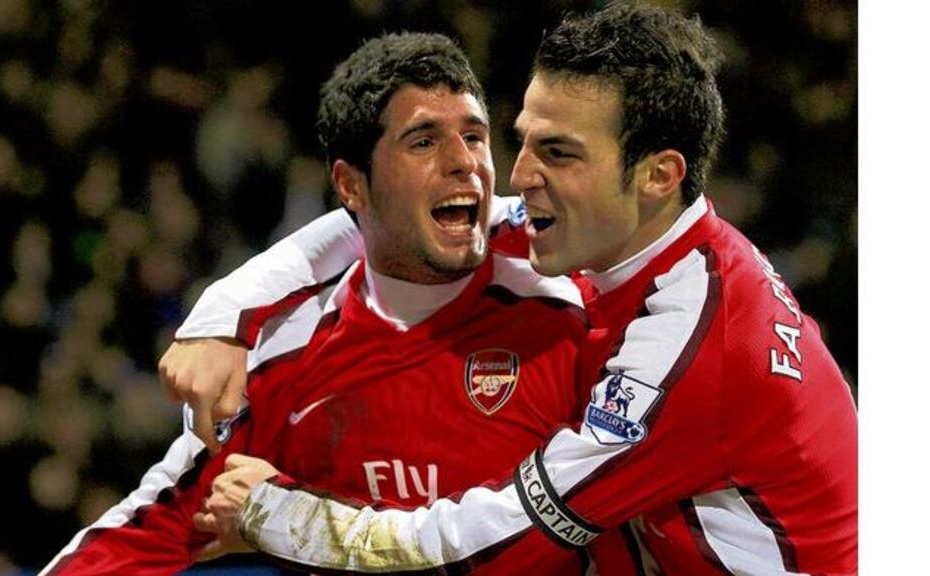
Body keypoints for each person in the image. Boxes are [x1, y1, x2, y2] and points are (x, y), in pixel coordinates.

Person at [182, 4, 858, 575]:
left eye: (558, 153)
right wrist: (225, 314)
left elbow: (498, 543)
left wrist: (274, 514)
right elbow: (380, 221)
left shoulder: (692, 348)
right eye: (523, 142)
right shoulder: (638, 242)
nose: (517, 174)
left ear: (658, 175)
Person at [41, 32, 620, 575]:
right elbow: (138, 537)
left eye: (474, 136)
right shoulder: (282, 362)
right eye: (423, 141)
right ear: (351, 185)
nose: (464, 161)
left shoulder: (578, 310)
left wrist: (288, 518)